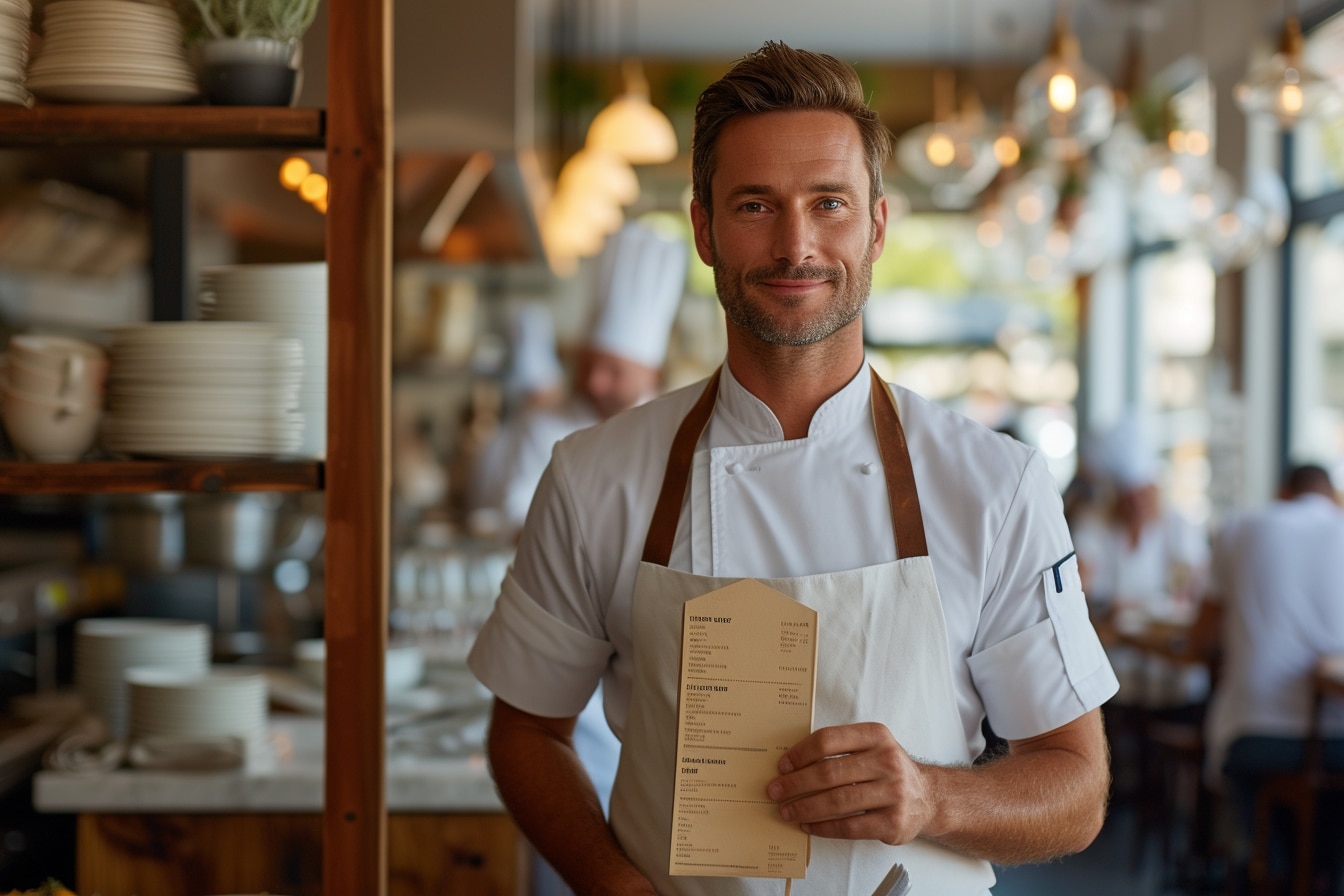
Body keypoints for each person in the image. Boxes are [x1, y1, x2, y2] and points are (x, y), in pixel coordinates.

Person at [467, 41, 1117, 895]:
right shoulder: (596, 476)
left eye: (829, 203)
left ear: (877, 226)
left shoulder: (996, 485)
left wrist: (930, 797)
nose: (795, 244)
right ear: (704, 229)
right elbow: (526, 732)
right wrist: (612, 885)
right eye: (754, 206)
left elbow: (1076, 785)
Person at [471, 219, 689, 896]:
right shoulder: (549, 429)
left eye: (615, 367)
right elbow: (494, 511)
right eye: (590, 359)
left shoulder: (684, 436)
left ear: (650, 369)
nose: (596, 376)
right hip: (555, 645)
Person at [1194, 464, 1344, 886]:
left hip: (1256, 738)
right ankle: (1319, 873)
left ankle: (1265, 864)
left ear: (1282, 492)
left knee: (1246, 773)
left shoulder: (1241, 527)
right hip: (1338, 742)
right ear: (1331, 496)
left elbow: (1201, 637)